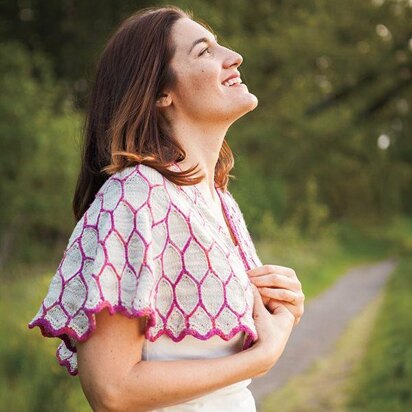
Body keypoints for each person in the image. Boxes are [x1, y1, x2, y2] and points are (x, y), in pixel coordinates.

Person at [28, 5, 304, 411]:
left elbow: (204, 347)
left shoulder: (217, 198)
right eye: (204, 51)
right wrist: (261, 357)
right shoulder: (134, 197)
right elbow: (112, 390)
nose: (233, 55)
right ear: (161, 93)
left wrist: (279, 306)